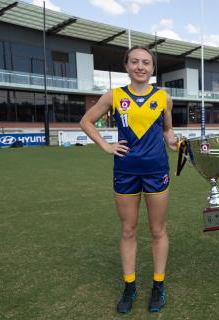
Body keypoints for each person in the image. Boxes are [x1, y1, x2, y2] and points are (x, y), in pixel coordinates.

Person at [80, 45, 178, 314]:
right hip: (124, 171)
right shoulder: (114, 96)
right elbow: (86, 121)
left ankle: (158, 284)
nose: (140, 67)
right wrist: (106, 145)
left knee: (158, 230)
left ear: (152, 68)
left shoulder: (164, 97)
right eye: (134, 62)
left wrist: (172, 142)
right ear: (126, 66)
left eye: (145, 62)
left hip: (157, 170)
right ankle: (130, 285)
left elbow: (168, 129)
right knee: (128, 230)